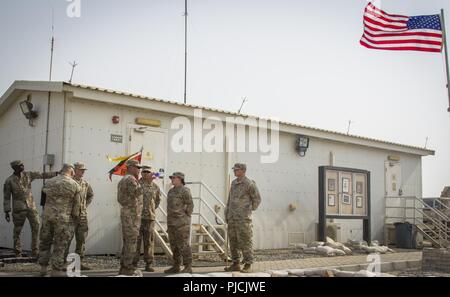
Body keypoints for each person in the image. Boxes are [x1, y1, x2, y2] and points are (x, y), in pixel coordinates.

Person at [3, 160, 57, 257]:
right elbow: (6, 197)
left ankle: (35, 251)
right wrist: (7, 211)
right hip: (19, 209)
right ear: (15, 168)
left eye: (23, 164)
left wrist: (56, 173)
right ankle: (17, 252)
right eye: (20, 165)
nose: (23, 166)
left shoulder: (28, 175)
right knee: (17, 231)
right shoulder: (9, 181)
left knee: (36, 227)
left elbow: (42, 175)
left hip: (31, 207)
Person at [38, 164, 81, 277]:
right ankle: (56, 270)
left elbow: (43, 202)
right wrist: (74, 221)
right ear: (71, 172)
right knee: (60, 244)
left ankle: (43, 268)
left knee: (45, 241)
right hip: (63, 219)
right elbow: (76, 209)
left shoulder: (48, 182)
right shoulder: (75, 185)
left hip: (47, 217)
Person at [224, 163, 261, 273]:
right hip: (232, 217)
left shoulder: (249, 184)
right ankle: (236, 263)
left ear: (243, 170)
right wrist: (227, 213)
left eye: (237, 169)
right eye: (234, 169)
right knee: (233, 241)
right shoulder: (234, 183)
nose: (235, 171)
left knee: (245, 241)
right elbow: (229, 200)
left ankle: (248, 264)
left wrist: (248, 210)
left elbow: (257, 199)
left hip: (243, 219)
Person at [65, 162, 94, 270]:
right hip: (70, 216)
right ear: (74, 170)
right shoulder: (69, 182)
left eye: (83, 170)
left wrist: (84, 205)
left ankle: (78, 263)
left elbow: (90, 195)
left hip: (82, 216)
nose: (82, 172)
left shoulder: (85, 183)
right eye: (80, 170)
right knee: (67, 239)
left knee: (81, 240)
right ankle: (64, 263)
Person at [117, 159, 143, 276]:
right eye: (137, 168)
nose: (139, 170)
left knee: (128, 241)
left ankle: (124, 267)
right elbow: (137, 193)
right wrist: (142, 181)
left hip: (128, 213)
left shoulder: (124, 179)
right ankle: (128, 268)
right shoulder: (131, 179)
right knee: (131, 241)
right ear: (131, 167)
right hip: (131, 215)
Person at [164, 172, 193, 274]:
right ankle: (176, 265)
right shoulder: (171, 191)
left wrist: (184, 218)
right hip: (171, 223)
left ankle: (188, 266)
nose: (172, 179)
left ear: (180, 179)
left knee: (184, 245)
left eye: (173, 178)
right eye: (171, 178)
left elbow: (190, 205)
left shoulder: (185, 191)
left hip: (181, 224)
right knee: (174, 245)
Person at [134, 166, 161, 272]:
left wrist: (151, 209)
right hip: (138, 217)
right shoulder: (136, 184)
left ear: (151, 173)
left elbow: (157, 201)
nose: (145, 173)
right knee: (136, 241)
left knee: (149, 241)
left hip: (149, 218)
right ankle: (134, 263)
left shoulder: (155, 186)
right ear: (141, 172)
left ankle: (148, 263)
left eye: (148, 172)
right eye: (144, 171)